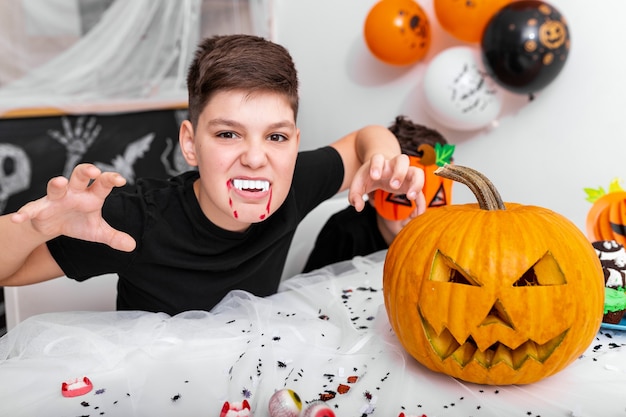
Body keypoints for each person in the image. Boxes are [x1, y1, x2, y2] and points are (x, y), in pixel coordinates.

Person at [0, 35, 426, 316]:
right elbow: (7, 272)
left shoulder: (295, 182)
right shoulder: (136, 218)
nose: (256, 158)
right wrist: (38, 227)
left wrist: (383, 161)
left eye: (275, 136)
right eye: (228, 134)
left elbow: (364, 141)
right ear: (190, 143)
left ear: (294, 142)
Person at [302, 116, 452, 273]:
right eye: (402, 197)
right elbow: (310, 289)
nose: (417, 213)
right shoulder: (344, 233)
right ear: (374, 194)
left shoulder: (440, 238)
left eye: (436, 200)